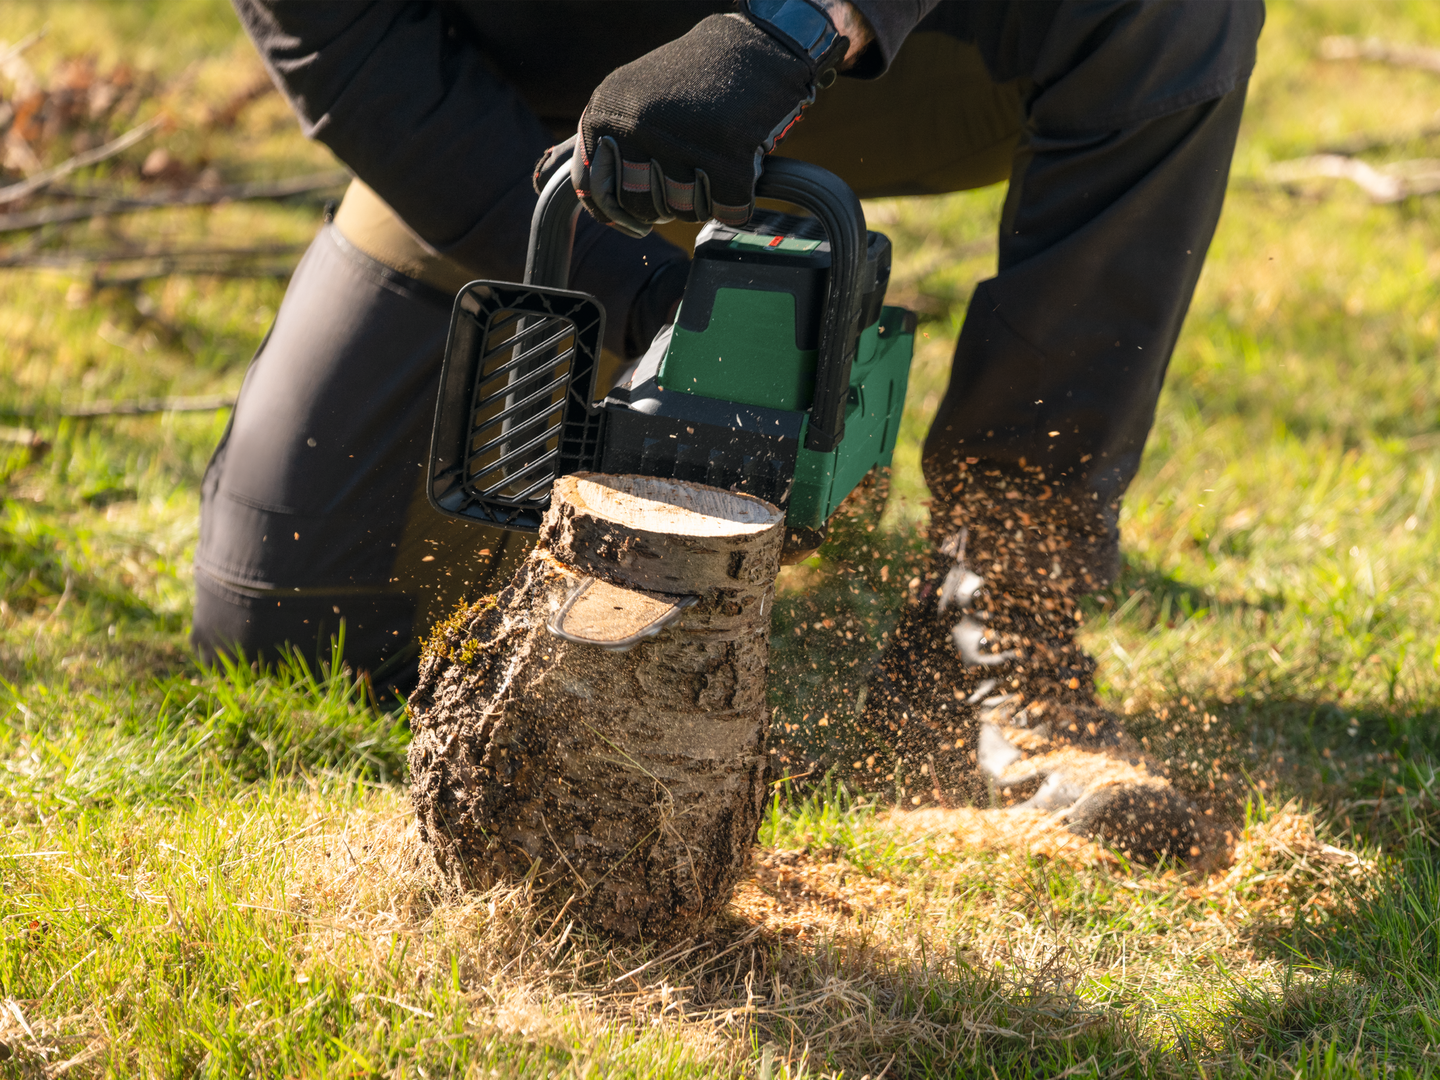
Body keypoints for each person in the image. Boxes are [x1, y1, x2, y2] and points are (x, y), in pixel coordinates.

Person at [201, 1, 1263, 775]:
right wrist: (640, 290)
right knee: (299, 630)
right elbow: (352, 52)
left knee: (1171, 15)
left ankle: (1004, 609)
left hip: (868, 48)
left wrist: (796, 27)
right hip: (529, 122)